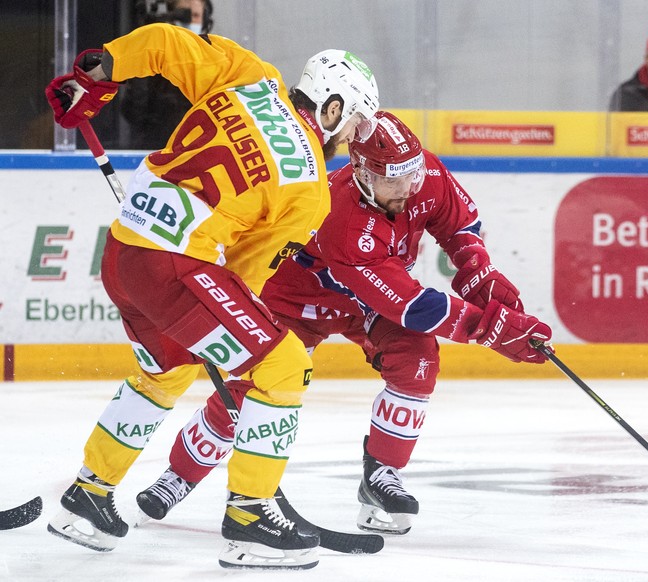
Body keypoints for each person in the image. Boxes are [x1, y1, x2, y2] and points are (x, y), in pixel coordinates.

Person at [44, 21, 379, 570]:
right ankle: (250, 514)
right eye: (354, 120)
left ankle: (88, 494)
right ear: (333, 106)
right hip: (173, 267)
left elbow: (168, 43)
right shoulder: (311, 186)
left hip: (123, 254)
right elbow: (245, 275)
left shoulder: (253, 78)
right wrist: (247, 347)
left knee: (165, 372)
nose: (348, 137)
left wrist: (101, 72)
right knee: (284, 366)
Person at [132, 111, 553, 536]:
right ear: (362, 174)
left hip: (366, 303)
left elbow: (460, 226)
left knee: (417, 358)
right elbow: (411, 306)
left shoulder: (421, 175)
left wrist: (480, 275)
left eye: (412, 174)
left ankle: (380, 478)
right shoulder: (342, 219)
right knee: (253, 392)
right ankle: (180, 474)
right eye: (393, 179)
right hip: (297, 301)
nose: (407, 187)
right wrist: (491, 328)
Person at [120, 0, 214, 149]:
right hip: (155, 149)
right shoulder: (157, 59)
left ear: (206, 19)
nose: (189, 21)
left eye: (195, 15)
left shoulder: (216, 57)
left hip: (199, 151)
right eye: (183, 15)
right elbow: (132, 113)